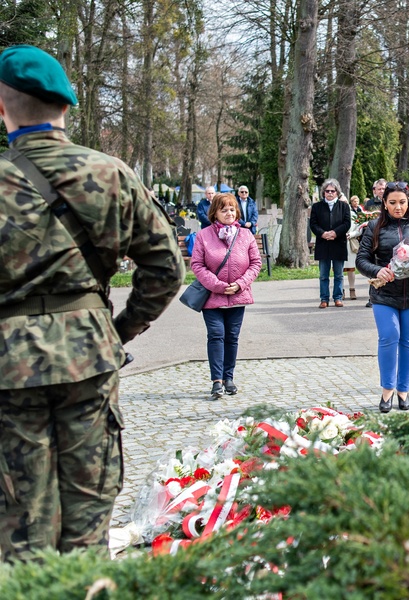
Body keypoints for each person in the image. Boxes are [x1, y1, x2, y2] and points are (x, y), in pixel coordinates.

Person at [0, 45, 184, 562]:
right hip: (89, 357)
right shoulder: (110, 173)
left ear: (2, 107)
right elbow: (167, 268)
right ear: (65, 108)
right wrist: (117, 329)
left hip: (7, 369)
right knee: (87, 524)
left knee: (18, 530)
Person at [356, 182, 409, 413]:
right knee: (389, 337)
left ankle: (404, 390)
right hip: (384, 295)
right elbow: (361, 260)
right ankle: (387, 391)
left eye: (402, 202)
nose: (398, 207)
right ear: (384, 204)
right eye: (392, 203)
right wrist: (377, 270)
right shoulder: (374, 227)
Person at [191, 193, 261, 401]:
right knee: (216, 335)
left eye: (232, 209)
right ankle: (217, 382)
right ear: (215, 213)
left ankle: (228, 377)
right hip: (212, 298)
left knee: (231, 337)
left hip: (238, 296)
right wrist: (219, 286)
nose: (229, 213)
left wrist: (240, 284)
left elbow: (256, 263)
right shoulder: (204, 235)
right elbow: (197, 265)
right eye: (224, 210)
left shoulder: (246, 235)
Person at [310, 178, 351, 308]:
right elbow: (313, 224)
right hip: (323, 244)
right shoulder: (317, 207)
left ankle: (338, 298)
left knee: (339, 274)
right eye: (327, 191)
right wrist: (323, 233)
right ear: (323, 192)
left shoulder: (344, 206)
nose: (330, 193)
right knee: (323, 275)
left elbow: (347, 223)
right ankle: (324, 299)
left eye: (332, 191)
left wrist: (335, 233)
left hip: (338, 243)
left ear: (337, 192)